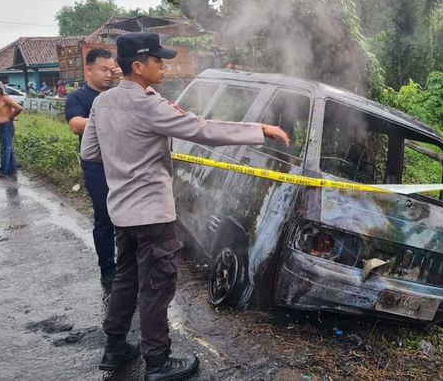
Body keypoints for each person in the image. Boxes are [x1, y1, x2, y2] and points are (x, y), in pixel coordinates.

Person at [81, 32, 290, 381]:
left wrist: (124, 161)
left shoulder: (101, 104)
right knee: (157, 285)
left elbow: (89, 152)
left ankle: (115, 346)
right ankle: (159, 362)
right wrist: (260, 130)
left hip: (121, 211)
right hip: (151, 213)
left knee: (126, 278)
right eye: (157, 60)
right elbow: (203, 129)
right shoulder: (151, 106)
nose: (163, 65)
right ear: (137, 66)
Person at [65, 49, 120, 298]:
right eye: (104, 70)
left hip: (123, 162)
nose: (109, 75)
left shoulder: (118, 94)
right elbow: (75, 125)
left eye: (112, 69)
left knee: (128, 217)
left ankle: (129, 266)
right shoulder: (79, 97)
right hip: (96, 165)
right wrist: (105, 117)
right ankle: (108, 270)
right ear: (89, 69)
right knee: (105, 217)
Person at [0, 81, 22, 179]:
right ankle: (12, 168)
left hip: (6, 125)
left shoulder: (5, 98)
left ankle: (2, 171)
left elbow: (19, 108)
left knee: (5, 149)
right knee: (8, 148)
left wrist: (11, 117)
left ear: (0, 89)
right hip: (0, 126)